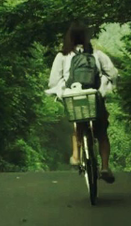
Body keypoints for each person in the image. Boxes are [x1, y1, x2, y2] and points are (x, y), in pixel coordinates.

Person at [46, 20, 118, 183]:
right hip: (94, 97)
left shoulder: (62, 56)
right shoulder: (97, 54)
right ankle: (105, 167)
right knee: (102, 133)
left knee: (77, 121)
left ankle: (76, 156)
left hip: (74, 97)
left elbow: (53, 82)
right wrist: (108, 86)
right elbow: (112, 73)